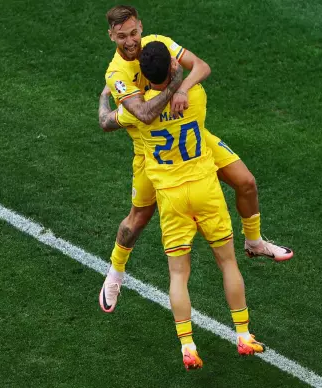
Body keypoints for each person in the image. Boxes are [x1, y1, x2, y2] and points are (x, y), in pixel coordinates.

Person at [97, 5, 292, 313]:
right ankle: (115, 271)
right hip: (152, 155)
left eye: (134, 33)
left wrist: (181, 90)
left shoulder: (157, 43)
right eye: (122, 36)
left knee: (247, 182)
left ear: (141, 28)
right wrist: (175, 87)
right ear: (111, 36)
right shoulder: (116, 74)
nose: (131, 41)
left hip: (195, 141)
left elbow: (200, 66)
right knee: (137, 221)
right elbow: (145, 114)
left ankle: (254, 243)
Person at [119, 41, 265, 369]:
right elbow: (197, 70)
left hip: (171, 198)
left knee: (178, 274)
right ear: (172, 69)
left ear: (143, 75)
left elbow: (108, 119)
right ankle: (243, 335)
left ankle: (187, 344)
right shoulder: (195, 97)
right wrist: (179, 83)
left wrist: (106, 97)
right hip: (204, 188)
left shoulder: (137, 114)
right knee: (228, 263)